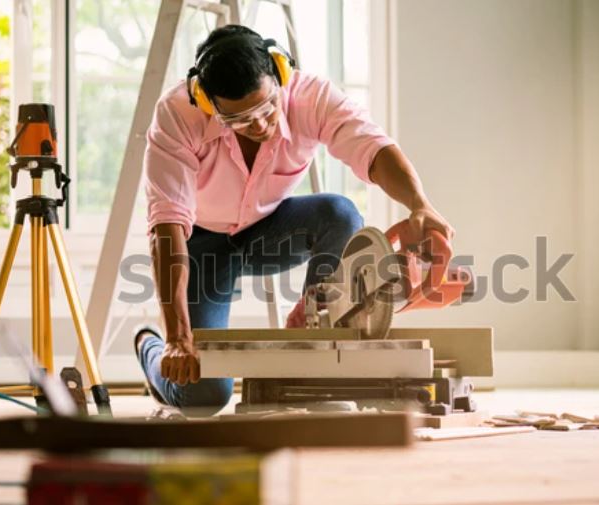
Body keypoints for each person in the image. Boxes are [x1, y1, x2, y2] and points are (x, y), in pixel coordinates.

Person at [134, 25, 454, 412]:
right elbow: (167, 228)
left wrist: (420, 204)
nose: (259, 124)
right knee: (203, 394)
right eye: (239, 118)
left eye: (267, 107)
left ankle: (317, 342)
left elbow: (372, 147)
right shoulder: (176, 115)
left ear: (280, 75)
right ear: (207, 102)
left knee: (339, 213)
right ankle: (148, 347)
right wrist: (176, 338)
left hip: (271, 231)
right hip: (201, 243)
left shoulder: (311, 96)